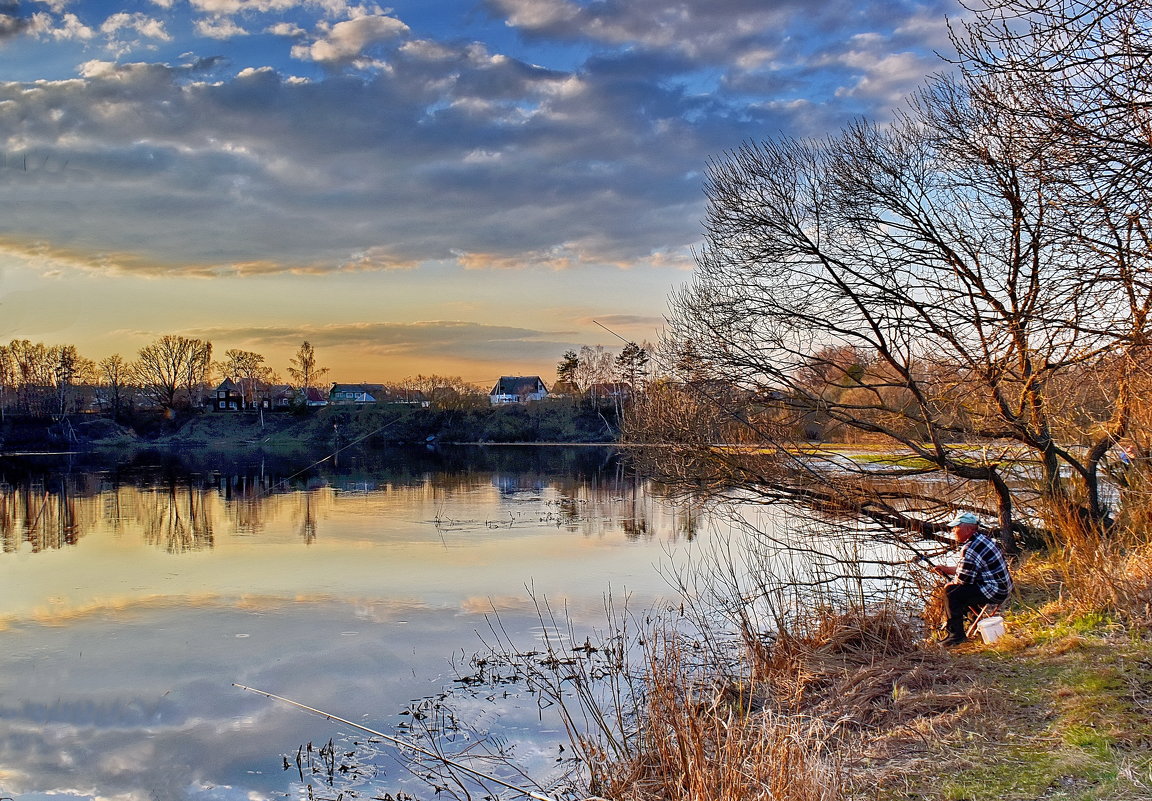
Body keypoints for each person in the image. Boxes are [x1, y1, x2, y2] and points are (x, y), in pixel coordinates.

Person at [930, 511, 1013, 646]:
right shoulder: (983, 539)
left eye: (956, 527)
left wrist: (949, 585)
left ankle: (956, 636)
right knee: (961, 590)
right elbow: (968, 570)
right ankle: (977, 621)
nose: (953, 531)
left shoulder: (970, 548)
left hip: (995, 592)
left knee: (951, 593)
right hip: (1003, 587)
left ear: (968, 529)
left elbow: (963, 580)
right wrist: (946, 569)